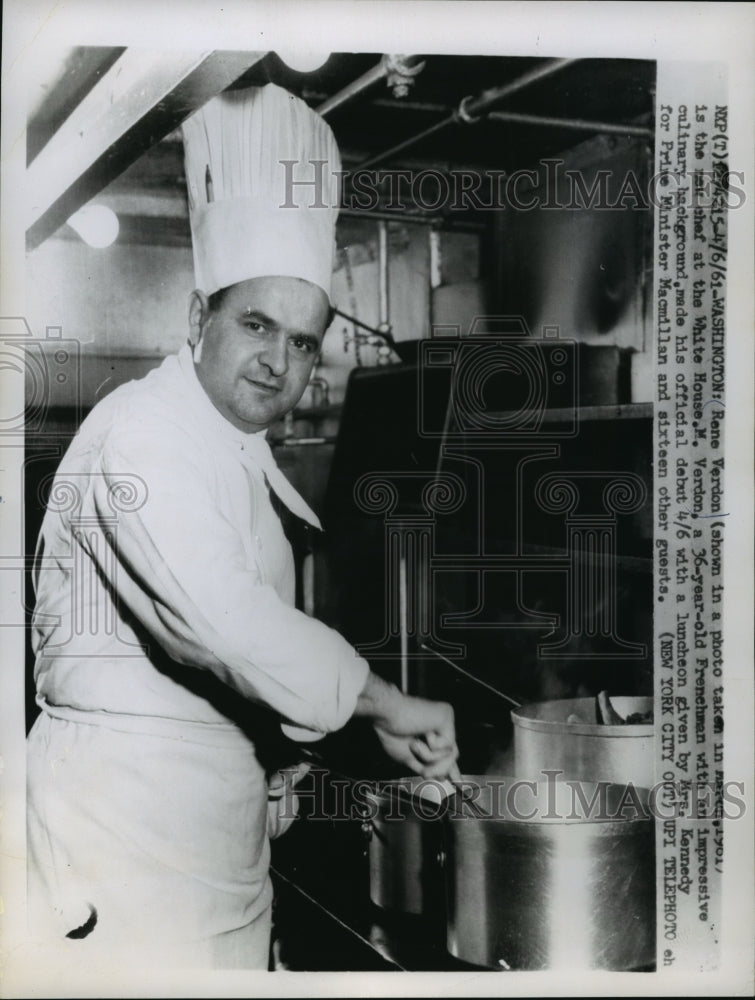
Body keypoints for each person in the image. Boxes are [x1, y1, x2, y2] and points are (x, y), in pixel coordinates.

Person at [26, 84, 459, 971]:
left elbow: (231, 675)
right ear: (199, 317)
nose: (277, 362)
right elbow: (223, 623)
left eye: (302, 342)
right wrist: (383, 700)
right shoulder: (143, 433)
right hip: (117, 849)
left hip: (210, 856)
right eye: (256, 324)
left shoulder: (237, 453)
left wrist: (278, 765)